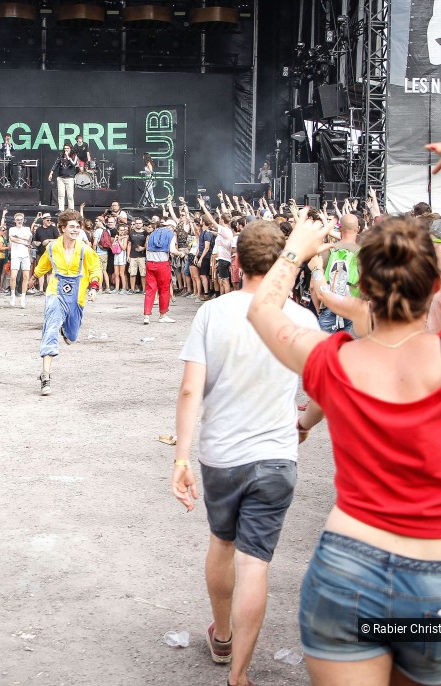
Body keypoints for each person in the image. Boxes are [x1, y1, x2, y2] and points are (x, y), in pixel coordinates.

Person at [246, 142, 441, 685]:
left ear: (362, 286)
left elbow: (262, 308)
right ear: (435, 285)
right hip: (440, 581)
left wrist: (295, 247)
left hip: (349, 566)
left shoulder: (330, 361)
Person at [173, 221, 319, 686]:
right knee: (256, 561)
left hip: (222, 455)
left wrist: (181, 457)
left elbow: (190, 390)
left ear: (237, 261)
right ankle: (240, 674)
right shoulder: (304, 320)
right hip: (277, 455)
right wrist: (302, 424)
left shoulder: (213, 313)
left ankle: (222, 636)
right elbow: (324, 392)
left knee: (223, 542)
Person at [33, 210, 101, 397]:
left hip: (77, 297)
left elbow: (95, 269)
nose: (75, 229)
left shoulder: (85, 249)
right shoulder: (52, 248)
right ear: (62, 228)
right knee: (50, 327)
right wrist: (34, 276)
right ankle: (45, 374)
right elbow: (44, 265)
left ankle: (67, 329)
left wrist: (94, 287)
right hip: (55, 292)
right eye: (72, 226)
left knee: (72, 337)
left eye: (78, 227)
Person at [143, 219, 182, 324]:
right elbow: (173, 250)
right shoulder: (171, 234)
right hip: (162, 264)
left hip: (150, 263)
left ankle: (146, 315)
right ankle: (163, 315)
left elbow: (147, 248)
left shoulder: (152, 234)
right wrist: (181, 253)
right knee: (164, 290)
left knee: (150, 290)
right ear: (171, 227)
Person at [8, 213, 32, 308]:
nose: (19, 221)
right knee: (13, 276)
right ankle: (12, 294)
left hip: (25, 255)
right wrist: (23, 241)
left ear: (23, 220)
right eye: (17, 219)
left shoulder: (27, 229)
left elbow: (29, 239)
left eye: (21, 219)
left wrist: (19, 237)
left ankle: (23, 297)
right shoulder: (12, 229)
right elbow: (12, 239)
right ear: (15, 220)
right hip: (15, 255)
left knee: (26, 277)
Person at [48, 143, 79, 211]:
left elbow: (73, 164)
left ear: (70, 149)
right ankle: (61, 210)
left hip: (70, 178)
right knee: (61, 195)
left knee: (70, 195)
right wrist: (51, 173)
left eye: (67, 148)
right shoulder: (61, 155)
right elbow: (56, 164)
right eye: (65, 148)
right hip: (61, 178)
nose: (66, 150)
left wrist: (68, 157)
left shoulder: (74, 155)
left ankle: (71, 210)